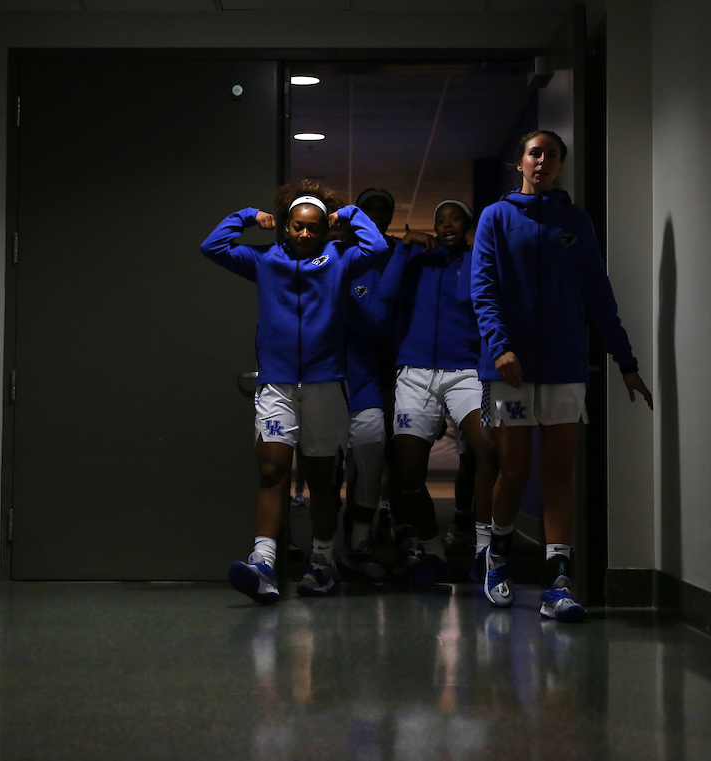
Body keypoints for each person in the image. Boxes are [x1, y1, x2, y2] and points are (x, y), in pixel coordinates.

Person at [471, 130, 653, 620]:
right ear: (521, 163)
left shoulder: (576, 222)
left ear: (559, 166)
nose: (543, 161)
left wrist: (626, 361)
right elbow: (483, 289)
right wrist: (501, 347)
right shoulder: (496, 217)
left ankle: (557, 584)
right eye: (535, 153)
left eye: (552, 156)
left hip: (565, 367)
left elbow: (599, 294)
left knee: (559, 471)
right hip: (508, 370)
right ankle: (499, 557)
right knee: (514, 468)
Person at [200, 181, 388, 603]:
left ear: (325, 231)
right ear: (285, 227)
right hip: (277, 384)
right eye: (297, 227)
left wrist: (352, 216)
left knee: (322, 481)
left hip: (325, 385)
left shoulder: (340, 259)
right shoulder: (265, 259)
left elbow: (377, 250)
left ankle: (322, 565)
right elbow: (212, 246)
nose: (305, 234)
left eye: (314, 228)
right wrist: (247, 217)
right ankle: (263, 563)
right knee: (272, 472)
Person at [378, 200, 499, 587]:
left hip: (464, 370)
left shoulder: (475, 260)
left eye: (455, 219)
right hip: (414, 372)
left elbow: (468, 298)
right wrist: (404, 246)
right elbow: (386, 292)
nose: (447, 225)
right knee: (408, 473)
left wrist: (476, 246)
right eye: (440, 220)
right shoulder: (418, 260)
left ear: (466, 225)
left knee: (489, 450)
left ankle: (485, 550)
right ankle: (433, 551)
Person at [338, 189, 399, 581]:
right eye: (367, 211)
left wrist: (345, 308)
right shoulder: (332, 256)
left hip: (374, 375)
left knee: (371, 461)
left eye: (382, 211)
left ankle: (361, 539)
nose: (375, 216)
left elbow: (382, 322)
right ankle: (323, 549)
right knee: (327, 470)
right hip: (327, 376)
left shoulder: (394, 257)